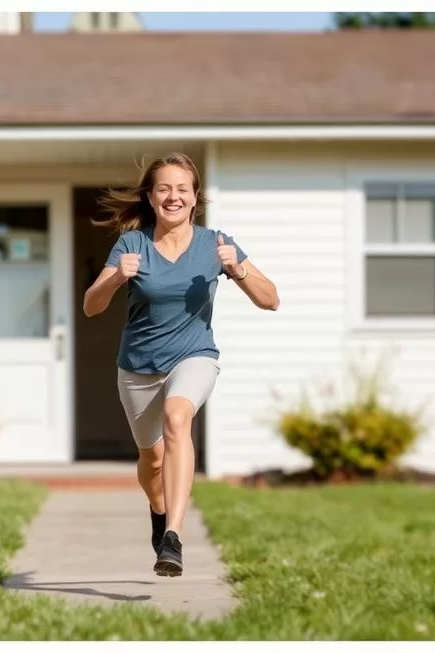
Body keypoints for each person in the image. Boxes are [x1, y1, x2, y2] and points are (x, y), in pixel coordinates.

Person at [83, 152, 279, 577]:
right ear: (152, 198)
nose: (173, 196)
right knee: (151, 462)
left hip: (194, 356)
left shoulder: (216, 245)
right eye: (164, 189)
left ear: (195, 198)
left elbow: (271, 299)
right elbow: (91, 306)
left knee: (178, 418)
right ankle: (158, 509)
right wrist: (117, 278)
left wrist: (239, 270)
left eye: (182, 189)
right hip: (137, 367)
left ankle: (172, 536)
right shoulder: (131, 244)